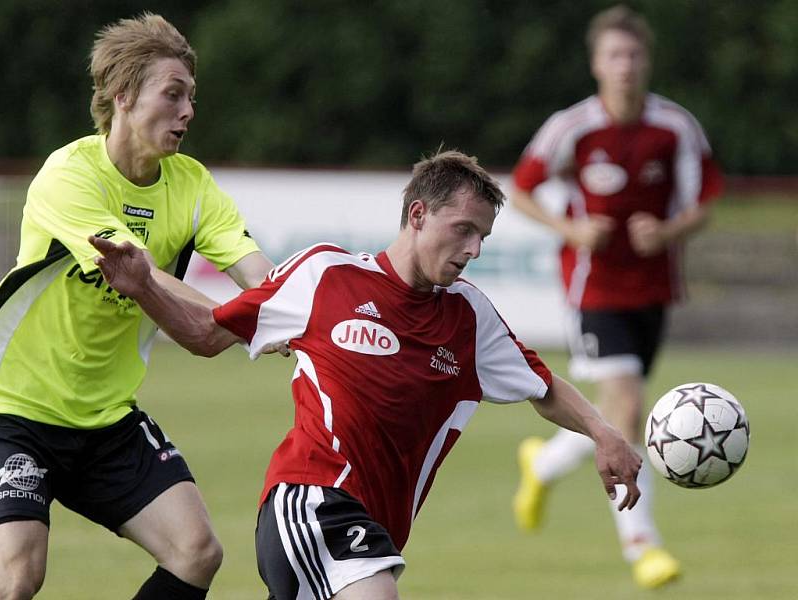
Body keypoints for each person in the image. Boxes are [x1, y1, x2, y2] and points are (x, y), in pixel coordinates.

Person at [88, 149, 643, 600]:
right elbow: (207, 334)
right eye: (464, 230)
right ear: (419, 214)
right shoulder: (326, 275)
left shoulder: (470, 316)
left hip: (373, 533)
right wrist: (144, 288)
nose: (473, 249)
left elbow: (543, 389)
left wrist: (604, 433)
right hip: (310, 501)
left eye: (483, 238)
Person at [0, 13, 277, 600]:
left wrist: (288, 304)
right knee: (18, 572)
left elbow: (258, 276)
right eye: (172, 94)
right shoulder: (69, 174)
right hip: (13, 411)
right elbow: (135, 268)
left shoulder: (193, 185)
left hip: (106, 420)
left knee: (196, 553)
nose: (188, 112)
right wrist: (241, 318)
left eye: (191, 97)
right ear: (123, 97)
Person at [509, 4, 723, 590]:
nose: (624, 66)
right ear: (596, 63)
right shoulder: (572, 127)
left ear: (646, 61)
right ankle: (642, 545)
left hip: (653, 289)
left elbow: (704, 199)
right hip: (592, 285)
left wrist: (670, 232)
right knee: (628, 409)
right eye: (614, 56)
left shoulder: (675, 127)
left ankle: (544, 462)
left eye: (633, 55)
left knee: (618, 414)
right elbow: (521, 188)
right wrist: (573, 231)